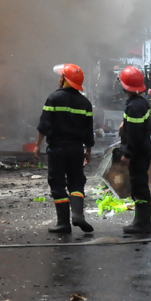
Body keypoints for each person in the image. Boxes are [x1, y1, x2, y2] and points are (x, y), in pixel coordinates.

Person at [34, 63, 95, 235]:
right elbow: (88, 130)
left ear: (64, 79)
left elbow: (44, 125)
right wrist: (88, 151)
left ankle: (63, 223)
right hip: (76, 149)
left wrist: (38, 145)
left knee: (58, 183)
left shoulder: (53, 98)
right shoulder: (85, 103)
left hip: (57, 149)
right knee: (76, 181)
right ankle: (77, 215)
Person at [117, 66, 151, 235]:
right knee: (139, 185)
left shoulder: (134, 106)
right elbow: (133, 127)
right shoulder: (140, 103)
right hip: (142, 151)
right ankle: (140, 221)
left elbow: (134, 134)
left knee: (138, 186)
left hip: (138, 153)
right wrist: (124, 125)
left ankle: (143, 224)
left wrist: (127, 154)